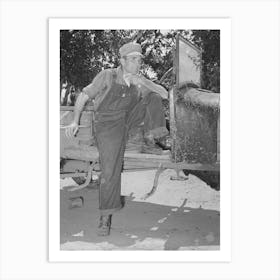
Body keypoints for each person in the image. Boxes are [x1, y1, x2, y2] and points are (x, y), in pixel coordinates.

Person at [65, 42, 169, 236]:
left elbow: (163, 95)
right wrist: (74, 122)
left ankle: (149, 140)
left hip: (126, 122)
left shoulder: (139, 81)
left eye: (139, 59)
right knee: (110, 169)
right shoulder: (108, 75)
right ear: (122, 61)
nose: (138, 63)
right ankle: (105, 216)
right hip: (106, 125)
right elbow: (83, 96)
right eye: (133, 59)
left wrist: (144, 82)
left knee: (153, 96)